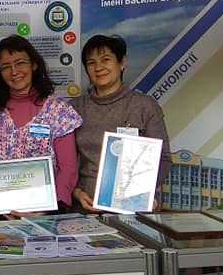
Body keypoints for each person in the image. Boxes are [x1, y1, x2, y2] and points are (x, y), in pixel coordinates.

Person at [0, 35, 82, 211]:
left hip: (46, 212)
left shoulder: (58, 110)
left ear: (33, 64)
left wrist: (49, 208)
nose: (14, 71)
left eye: (20, 63)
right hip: (1, 212)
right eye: (6, 66)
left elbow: (68, 168)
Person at [70, 34, 172, 211]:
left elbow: (163, 159)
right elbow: (64, 161)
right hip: (84, 208)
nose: (98, 67)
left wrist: (143, 191)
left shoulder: (144, 106)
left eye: (106, 59)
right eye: (91, 63)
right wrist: (76, 192)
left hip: (130, 207)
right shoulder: (74, 108)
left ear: (122, 62)